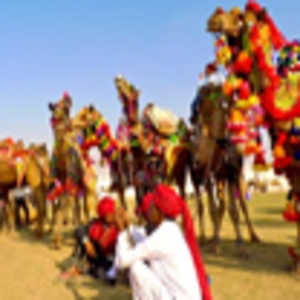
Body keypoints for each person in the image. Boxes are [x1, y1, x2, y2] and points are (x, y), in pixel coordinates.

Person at [114, 184, 212, 300]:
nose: (148, 211)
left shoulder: (163, 234)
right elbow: (142, 240)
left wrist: (121, 232)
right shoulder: (170, 229)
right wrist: (127, 228)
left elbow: (122, 261)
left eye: (151, 207)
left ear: (159, 212)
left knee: (136, 267)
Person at [63, 196, 119, 282]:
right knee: (82, 238)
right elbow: (79, 230)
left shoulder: (119, 225)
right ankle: (78, 267)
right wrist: (87, 242)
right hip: (96, 256)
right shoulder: (96, 223)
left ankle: (87, 270)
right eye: (108, 214)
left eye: (111, 213)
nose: (110, 216)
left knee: (105, 275)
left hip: (112, 259)